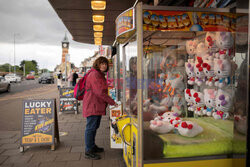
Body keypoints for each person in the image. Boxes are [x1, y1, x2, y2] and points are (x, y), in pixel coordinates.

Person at [83, 56, 117, 160]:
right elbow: (99, 92)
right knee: (91, 128)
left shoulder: (98, 74)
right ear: (97, 64)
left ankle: (92, 146)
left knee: (94, 127)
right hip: (93, 104)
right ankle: (88, 151)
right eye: (101, 63)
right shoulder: (95, 74)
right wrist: (112, 102)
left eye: (105, 64)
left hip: (96, 104)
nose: (104, 65)